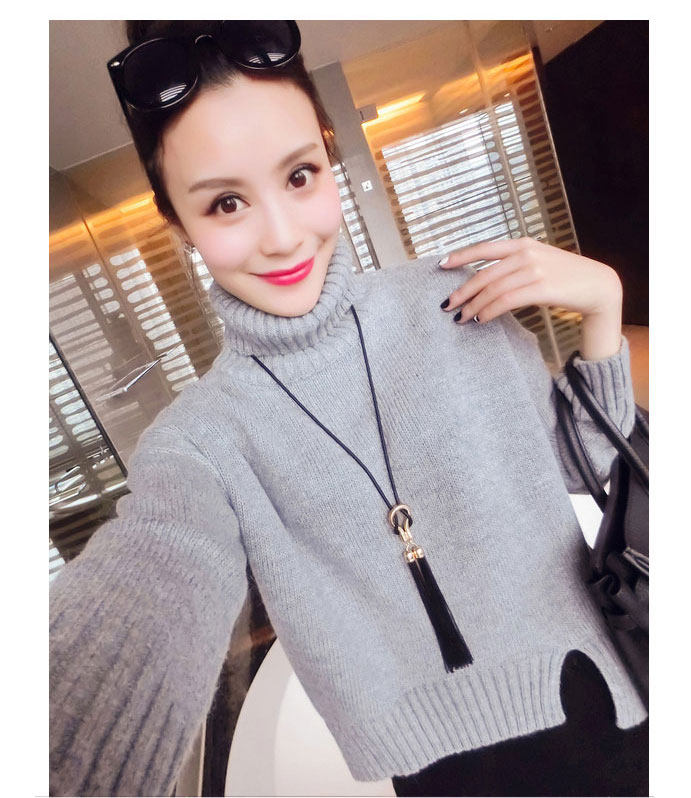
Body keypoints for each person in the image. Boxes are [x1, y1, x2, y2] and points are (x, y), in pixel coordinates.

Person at [49, 20, 648, 797]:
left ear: (329, 158)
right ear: (178, 225)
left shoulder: (453, 302)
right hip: (438, 771)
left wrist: (603, 306)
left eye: (300, 175)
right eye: (226, 203)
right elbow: (154, 574)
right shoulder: (201, 439)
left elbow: (580, 462)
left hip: (602, 704)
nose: (281, 236)